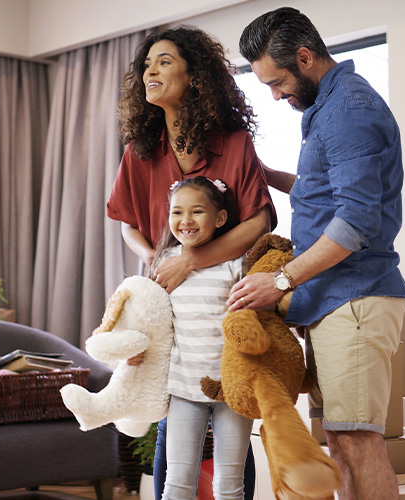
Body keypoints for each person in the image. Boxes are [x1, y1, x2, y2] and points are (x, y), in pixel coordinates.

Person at [228, 7, 405, 500]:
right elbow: (322, 193)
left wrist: (282, 280)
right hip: (333, 301)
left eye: (278, 81)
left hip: (355, 299)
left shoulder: (350, 109)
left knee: (358, 440)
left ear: (305, 57)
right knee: (338, 441)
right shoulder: (328, 109)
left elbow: (355, 224)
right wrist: (264, 175)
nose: (276, 94)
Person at [107, 26, 290, 499]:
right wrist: (154, 259)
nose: (150, 70)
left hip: (227, 300)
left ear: (197, 76)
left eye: (164, 61)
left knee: (235, 431)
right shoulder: (139, 152)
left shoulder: (232, 142)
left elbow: (260, 220)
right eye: (147, 64)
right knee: (175, 425)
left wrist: (189, 260)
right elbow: (127, 221)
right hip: (169, 301)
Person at [150, 176, 254, 500]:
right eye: (177, 212)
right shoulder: (166, 264)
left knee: (229, 483)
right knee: (177, 482)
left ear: (220, 218)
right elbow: (152, 318)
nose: (186, 221)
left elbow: (256, 319)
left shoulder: (237, 263)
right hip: (183, 387)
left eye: (197, 211)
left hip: (233, 388)